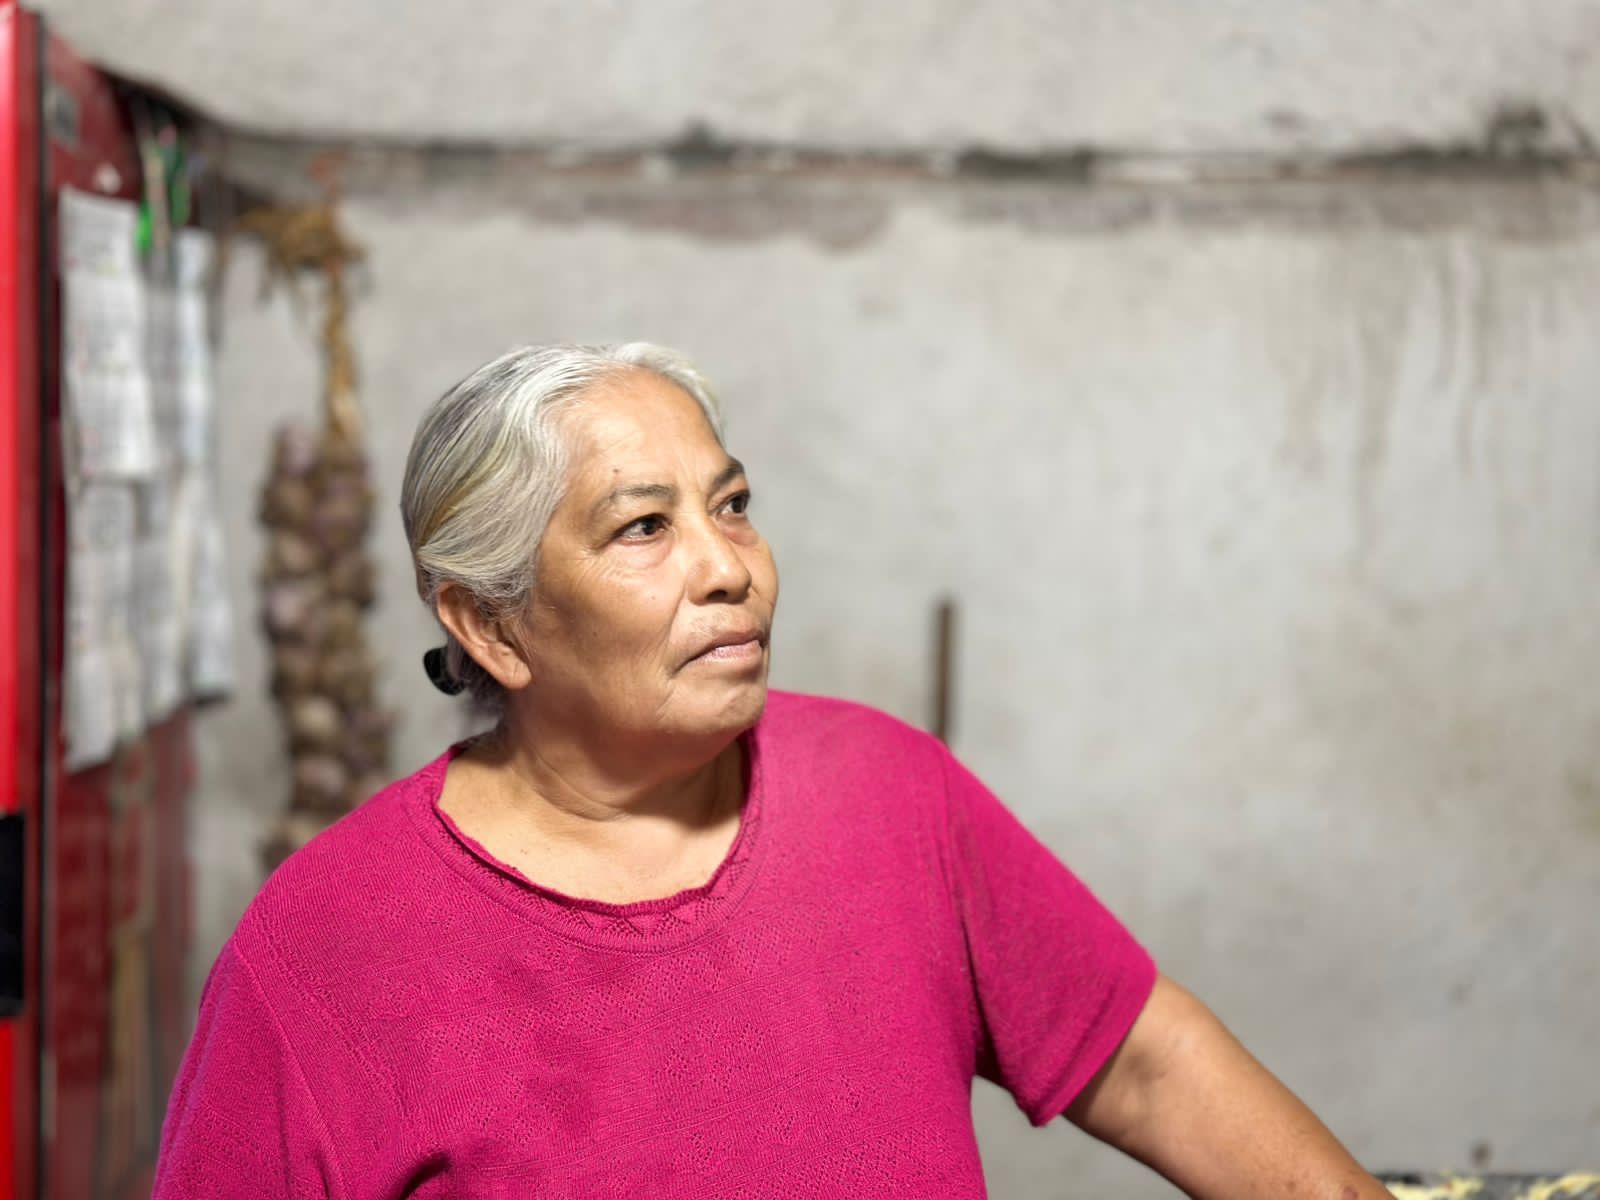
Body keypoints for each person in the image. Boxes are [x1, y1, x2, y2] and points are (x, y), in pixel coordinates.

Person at [154, 343, 1393, 1199]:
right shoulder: (327, 948)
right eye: (644, 527)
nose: (730, 567)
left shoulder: (886, 792)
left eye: (732, 503)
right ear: (491, 626)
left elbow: (1145, 1061)